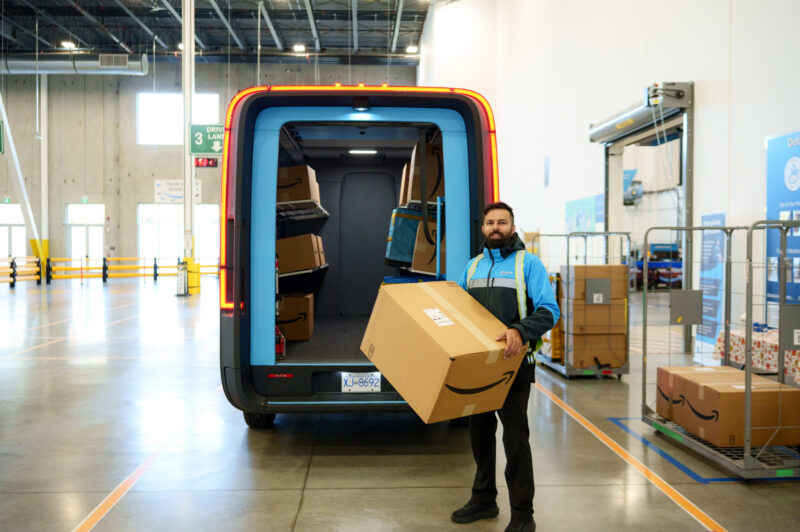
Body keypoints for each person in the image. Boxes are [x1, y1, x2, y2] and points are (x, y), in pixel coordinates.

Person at [451, 202, 559, 532]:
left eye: (502, 222)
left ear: (512, 227)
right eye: (489, 222)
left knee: (515, 442)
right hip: (479, 368)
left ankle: (523, 515)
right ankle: (484, 498)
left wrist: (519, 330)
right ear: (482, 228)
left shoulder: (529, 264)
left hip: (515, 368)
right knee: (480, 436)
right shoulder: (471, 268)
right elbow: (455, 311)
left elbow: (550, 310)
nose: (495, 227)